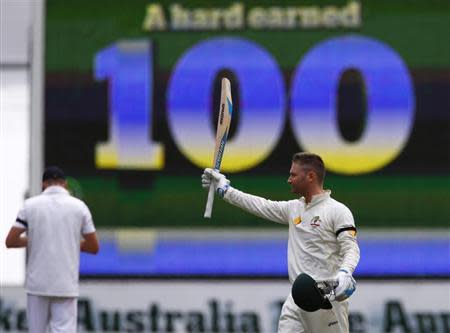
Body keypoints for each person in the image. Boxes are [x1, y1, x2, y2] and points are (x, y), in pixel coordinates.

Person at [201, 152, 360, 333]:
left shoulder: (337, 211)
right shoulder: (294, 209)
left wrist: (345, 272)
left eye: (293, 175)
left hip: (326, 300)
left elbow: (351, 248)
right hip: (297, 299)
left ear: (310, 176)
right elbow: (260, 205)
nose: (288, 180)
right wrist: (224, 189)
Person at [5, 166, 99, 333]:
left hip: (37, 284)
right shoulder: (79, 207)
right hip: (65, 284)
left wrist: (35, 240)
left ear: (43, 184)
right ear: (65, 184)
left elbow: (11, 241)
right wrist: (68, 241)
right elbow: (93, 246)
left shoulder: (30, 205)